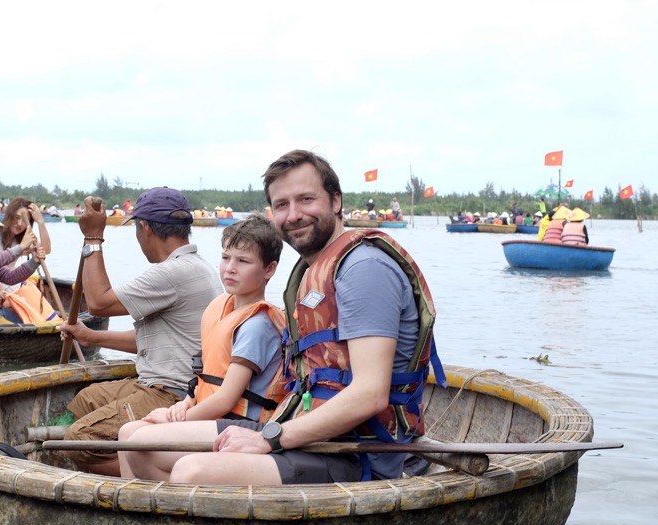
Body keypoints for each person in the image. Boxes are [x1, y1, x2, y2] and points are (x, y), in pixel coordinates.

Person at [121, 149, 445, 486]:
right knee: (139, 442)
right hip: (305, 430)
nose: (294, 215)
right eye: (281, 205)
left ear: (335, 201)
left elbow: (369, 394)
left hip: (356, 451)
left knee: (192, 471)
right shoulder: (314, 270)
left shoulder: (365, 269)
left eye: (306, 199)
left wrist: (269, 438)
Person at [53, 187, 222, 475]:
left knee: (78, 440)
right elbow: (156, 341)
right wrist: (90, 337)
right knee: (85, 400)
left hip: (174, 394)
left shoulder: (173, 272)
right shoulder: (195, 266)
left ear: (144, 228)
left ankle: (152, 471)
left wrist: (93, 237)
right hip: (158, 383)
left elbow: (97, 302)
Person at [118, 213, 287, 478]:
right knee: (127, 432)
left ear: (269, 269)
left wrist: (180, 419)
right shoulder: (220, 307)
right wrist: (184, 404)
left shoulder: (258, 325)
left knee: (140, 441)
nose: (230, 268)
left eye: (243, 261)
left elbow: (226, 398)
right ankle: (137, 507)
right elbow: (203, 376)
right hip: (212, 414)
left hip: (241, 423)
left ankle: (167, 504)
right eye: (225, 257)